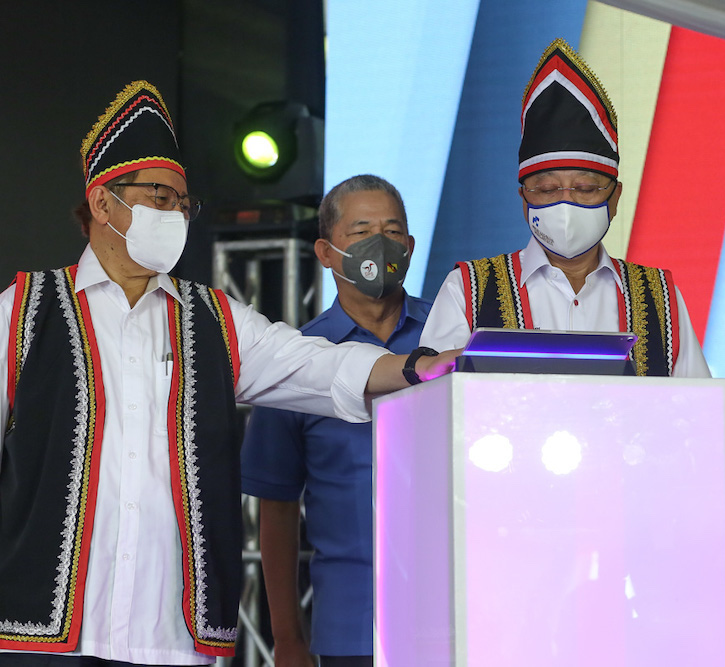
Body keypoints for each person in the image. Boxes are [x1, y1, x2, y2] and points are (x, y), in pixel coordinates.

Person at [0, 81, 457, 666]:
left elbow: (315, 363)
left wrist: (417, 365)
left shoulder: (213, 318)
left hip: (174, 642)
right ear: (102, 203)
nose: (176, 214)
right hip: (40, 636)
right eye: (159, 197)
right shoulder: (25, 311)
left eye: (182, 204)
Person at [419, 38, 709, 378]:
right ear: (523, 199)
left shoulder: (658, 297)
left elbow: (697, 410)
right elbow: (436, 403)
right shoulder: (469, 289)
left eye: (585, 188)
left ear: (614, 199)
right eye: (546, 189)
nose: (566, 201)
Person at [241, 174, 429, 667]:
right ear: (325, 253)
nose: (380, 244)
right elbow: (277, 510)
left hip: (457, 610)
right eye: (362, 229)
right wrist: (287, 638)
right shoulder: (296, 361)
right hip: (351, 622)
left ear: (410, 246)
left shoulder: (449, 339)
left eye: (392, 231)